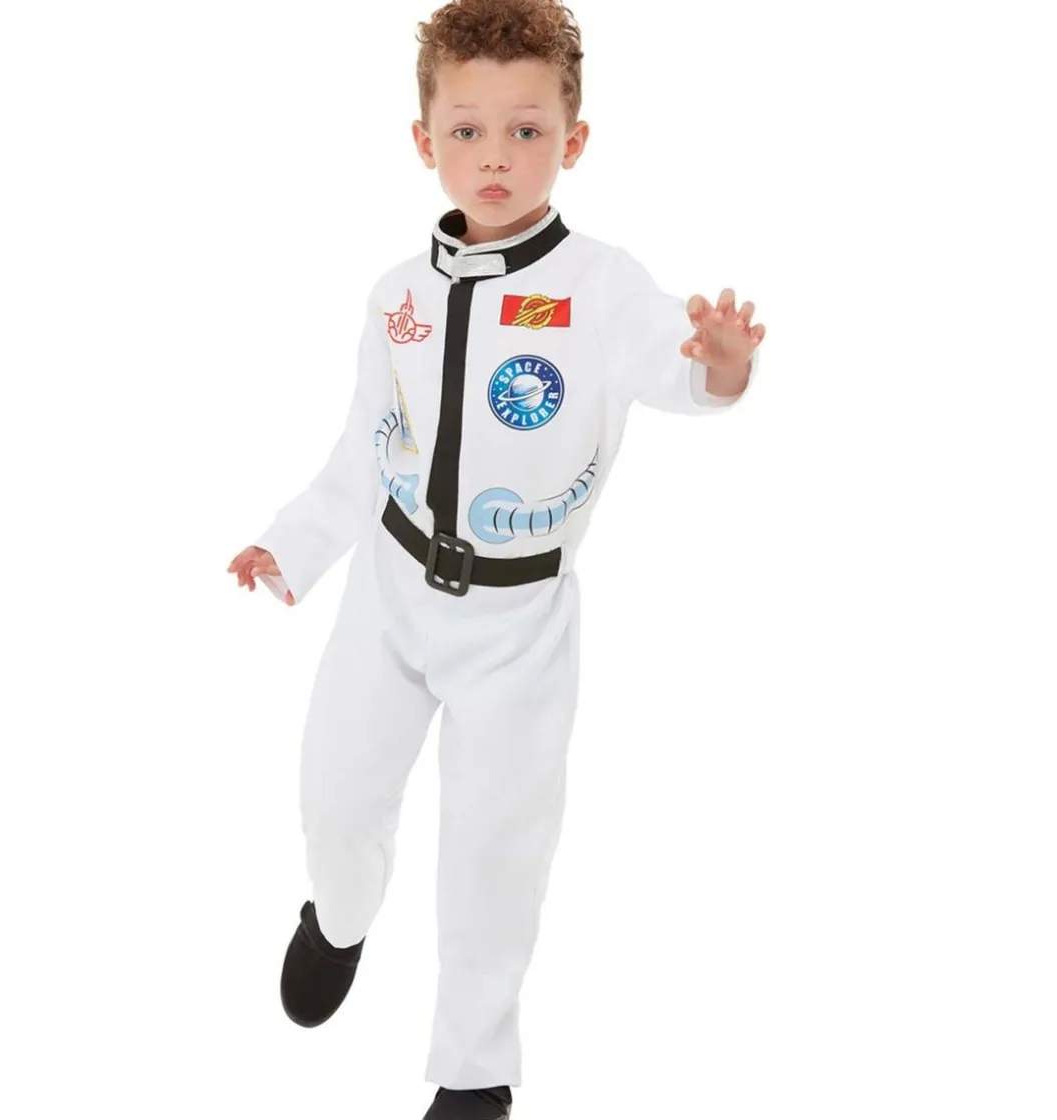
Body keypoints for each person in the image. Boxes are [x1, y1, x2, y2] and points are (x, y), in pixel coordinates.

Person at [227, 1, 765, 1116]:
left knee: (491, 854)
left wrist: (718, 365)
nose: (496, 157)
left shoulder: (601, 288)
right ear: (423, 140)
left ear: (574, 139)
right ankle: (338, 916)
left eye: (527, 131)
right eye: (467, 131)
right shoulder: (397, 296)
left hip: (518, 625)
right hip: (389, 595)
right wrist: (291, 544)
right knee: (336, 795)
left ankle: (473, 1071)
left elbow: (670, 364)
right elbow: (364, 451)